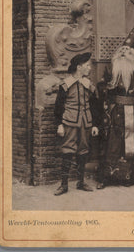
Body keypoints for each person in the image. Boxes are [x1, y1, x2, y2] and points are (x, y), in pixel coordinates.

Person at [96, 45, 134, 188]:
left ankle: (128, 177)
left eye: (127, 52)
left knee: (130, 143)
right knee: (111, 143)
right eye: (120, 51)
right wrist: (108, 89)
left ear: (133, 57)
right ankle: (107, 178)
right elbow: (101, 88)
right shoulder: (111, 71)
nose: (123, 53)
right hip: (114, 113)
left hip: (132, 113)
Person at [54, 52, 100, 195]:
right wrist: (59, 124)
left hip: (86, 123)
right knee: (68, 151)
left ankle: (81, 182)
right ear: (79, 67)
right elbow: (58, 106)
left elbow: (94, 106)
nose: (89, 68)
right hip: (69, 123)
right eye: (87, 65)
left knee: (83, 152)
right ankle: (64, 185)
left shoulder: (89, 85)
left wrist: (95, 125)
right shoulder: (65, 85)